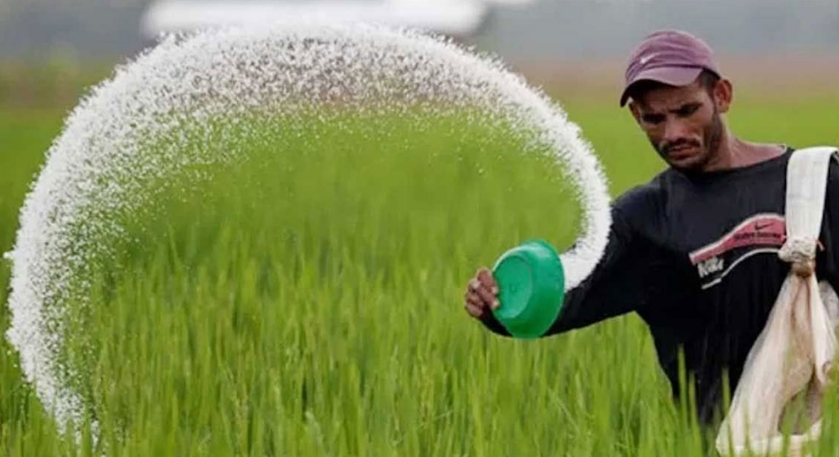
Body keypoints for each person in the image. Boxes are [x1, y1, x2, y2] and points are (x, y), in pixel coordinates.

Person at [462, 29, 839, 427]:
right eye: (654, 119)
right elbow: (566, 294)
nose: (672, 133)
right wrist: (498, 304)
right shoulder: (645, 219)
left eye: (687, 110)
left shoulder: (812, 184)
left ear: (722, 96)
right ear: (636, 116)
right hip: (720, 443)